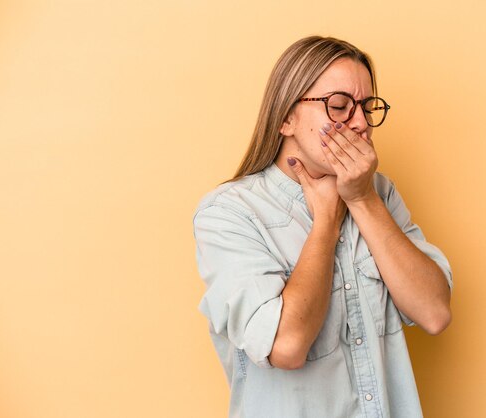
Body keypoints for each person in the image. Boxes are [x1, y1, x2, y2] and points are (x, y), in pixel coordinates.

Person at [193, 35, 453, 418]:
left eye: (367, 107)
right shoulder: (229, 213)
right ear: (286, 118)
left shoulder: (378, 192)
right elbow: (286, 345)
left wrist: (362, 200)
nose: (361, 123)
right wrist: (326, 223)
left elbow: (434, 312)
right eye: (340, 106)